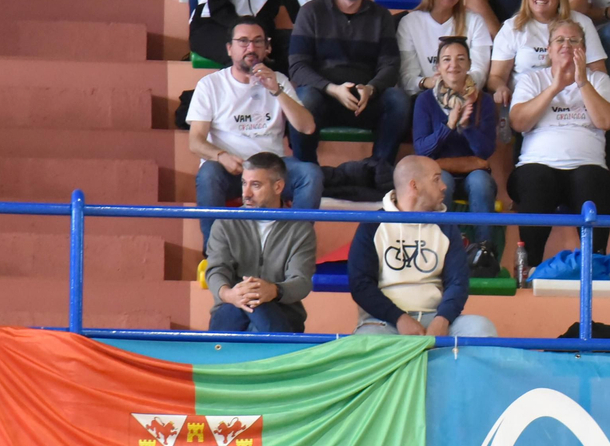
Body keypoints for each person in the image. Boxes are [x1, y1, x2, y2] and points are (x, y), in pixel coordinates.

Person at [189, 17, 322, 246]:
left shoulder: (278, 80)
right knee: (208, 175)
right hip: (230, 168)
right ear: (230, 49)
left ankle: (292, 246)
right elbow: (196, 141)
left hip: (272, 167)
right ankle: (214, 251)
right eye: (243, 42)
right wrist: (221, 156)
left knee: (310, 175)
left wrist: (277, 91)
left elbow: (307, 127)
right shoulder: (210, 85)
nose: (251, 48)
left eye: (257, 42)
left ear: (267, 48)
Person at [508, 20, 610, 264]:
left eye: (574, 40)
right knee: (536, 179)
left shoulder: (598, 80)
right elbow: (518, 122)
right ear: (548, 49)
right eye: (559, 40)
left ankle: (595, 263)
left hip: (587, 168)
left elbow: (607, 121)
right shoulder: (531, 80)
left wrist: (581, 82)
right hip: (537, 166)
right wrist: (555, 86)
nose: (566, 45)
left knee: (592, 180)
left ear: (584, 49)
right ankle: (530, 266)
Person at [349, 155, 497, 337]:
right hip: (384, 322)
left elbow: (458, 283)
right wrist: (400, 318)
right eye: (437, 179)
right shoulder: (372, 225)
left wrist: (442, 320)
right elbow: (360, 285)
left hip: (436, 318)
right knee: (367, 340)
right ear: (414, 186)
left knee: (482, 329)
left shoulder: (447, 227)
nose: (444, 186)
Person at [287, 0, 409, 165]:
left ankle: (378, 172)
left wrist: (371, 89)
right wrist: (332, 89)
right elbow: (297, 66)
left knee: (398, 100)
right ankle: (307, 172)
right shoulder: (310, 12)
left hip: (365, 100)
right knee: (304, 99)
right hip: (323, 97)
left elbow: (390, 65)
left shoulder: (381, 16)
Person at [203, 152, 316, 333]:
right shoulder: (225, 223)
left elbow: (301, 281)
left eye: (255, 185)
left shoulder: (300, 229)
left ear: (278, 187)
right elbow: (216, 269)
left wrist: (273, 291)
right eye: (244, 183)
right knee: (249, 306)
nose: (246, 193)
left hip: (283, 311)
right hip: (232, 308)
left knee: (259, 308)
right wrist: (230, 294)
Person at [411, 37, 498, 257]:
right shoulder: (425, 101)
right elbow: (422, 150)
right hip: (439, 170)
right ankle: (441, 252)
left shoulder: (483, 101)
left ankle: (484, 252)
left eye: (460, 59)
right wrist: (449, 124)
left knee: (480, 182)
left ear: (469, 65)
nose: (454, 65)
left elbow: (485, 150)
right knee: (443, 182)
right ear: (438, 67)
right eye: (447, 60)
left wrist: (466, 126)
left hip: (473, 170)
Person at [486, 0, 606, 107]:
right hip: (528, 102)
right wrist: (501, 88)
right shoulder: (512, 27)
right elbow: (496, 77)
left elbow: (598, 71)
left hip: (573, 102)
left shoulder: (581, 22)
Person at [398, 0, 493, 96]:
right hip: (425, 96)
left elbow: (480, 73)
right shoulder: (409, 23)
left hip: (466, 95)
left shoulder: (475, 21)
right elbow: (407, 79)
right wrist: (429, 82)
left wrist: (456, 86)